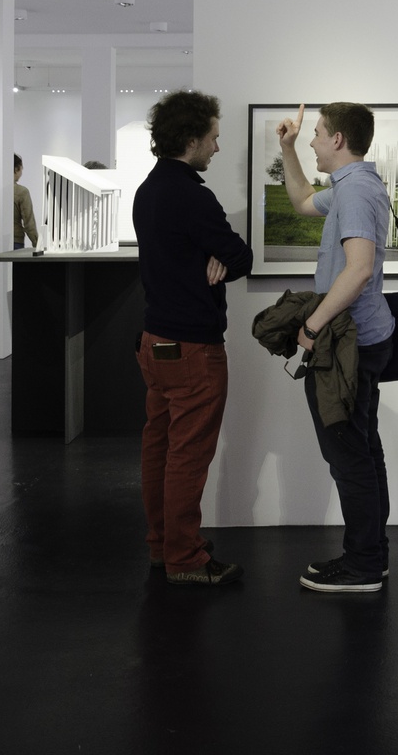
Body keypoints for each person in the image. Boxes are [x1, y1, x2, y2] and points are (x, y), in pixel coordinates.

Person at [132, 90, 254, 585]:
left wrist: (214, 254)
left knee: (160, 447)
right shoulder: (192, 196)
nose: (217, 148)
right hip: (193, 349)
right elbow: (241, 257)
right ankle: (185, 557)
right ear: (191, 140)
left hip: (155, 340)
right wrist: (220, 254)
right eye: (213, 138)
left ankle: (163, 546)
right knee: (188, 455)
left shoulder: (148, 190)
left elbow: (213, 253)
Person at [277, 102, 395, 593]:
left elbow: (359, 268)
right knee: (361, 451)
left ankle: (363, 565)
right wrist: (287, 148)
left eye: (317, 133)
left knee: (350, 457)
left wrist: (312, 325)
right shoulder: (351, 186)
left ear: (339, 140)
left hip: (349, 346)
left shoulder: (357, 191)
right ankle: (371, 556)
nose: (312, 141)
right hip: (360, 341)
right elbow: (303, 201)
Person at [13, 154, 39, 250]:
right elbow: (29, 223)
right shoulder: (21, 192)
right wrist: (37, 244)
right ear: (16, 169)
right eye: (21, 169)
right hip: (16, 241)